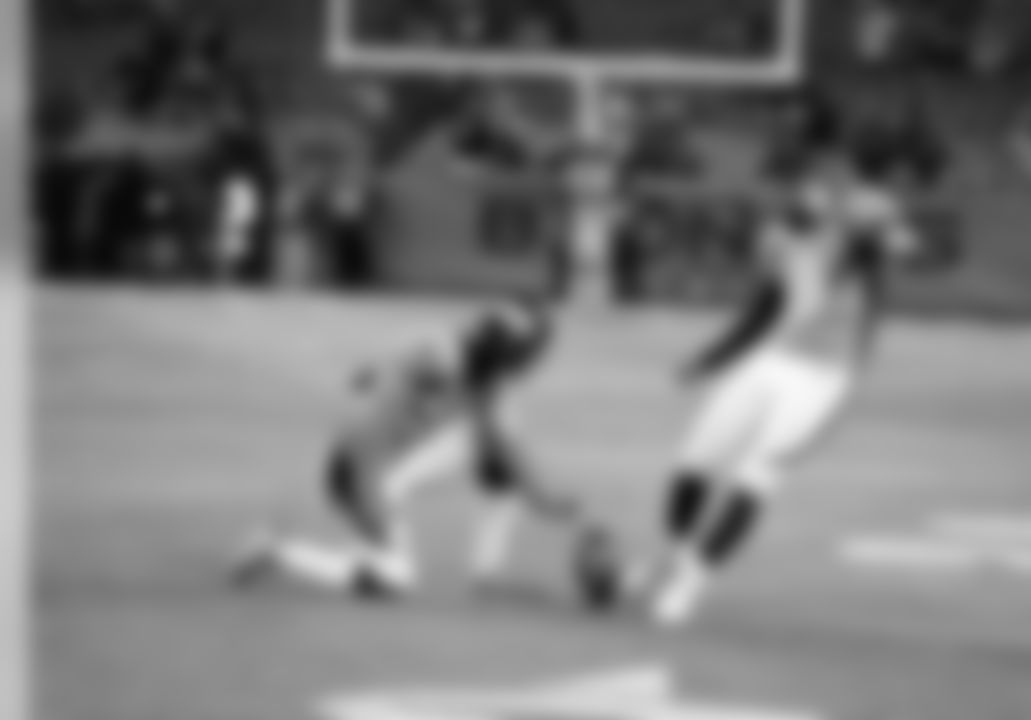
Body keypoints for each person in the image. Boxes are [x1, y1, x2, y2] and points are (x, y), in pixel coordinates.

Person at [623, 133, 960, 627]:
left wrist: (890, 231)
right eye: (815, 181)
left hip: (823, 379)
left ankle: (691, 582)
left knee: (755, 473)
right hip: (771, 360)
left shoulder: (861, 240)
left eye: (834, 180)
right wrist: (708, 361)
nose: (822, 189)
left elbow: (923, 254)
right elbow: (760, 314)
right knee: (692, 462)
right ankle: (672, 558)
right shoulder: (783, 239)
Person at [232, 296, 594, 598]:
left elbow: (375, 376)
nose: (528, 363)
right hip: (364, 475)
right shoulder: (469, 381)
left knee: (490, 453)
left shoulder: (447, 355)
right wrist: (553, 503)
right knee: (395, 577)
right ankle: (278, 552)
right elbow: (512, 454)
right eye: (523, 355)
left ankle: (480, 568)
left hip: (358, 462)